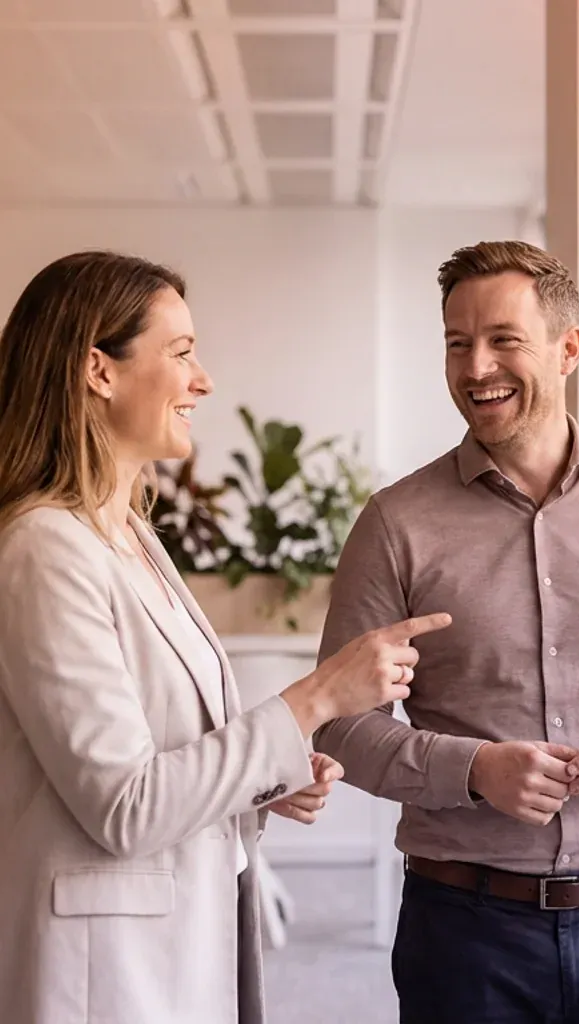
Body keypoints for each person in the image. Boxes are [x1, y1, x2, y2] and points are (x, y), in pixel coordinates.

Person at [0, 250, 451, 1024]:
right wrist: (315, 699)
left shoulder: (131, 537)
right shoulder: (43, 548)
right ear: (98, 371)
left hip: (173, 946)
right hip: (101, 978)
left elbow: (164, 758)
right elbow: (125, 806)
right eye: (180, 354)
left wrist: (268, 779)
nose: (202, 380)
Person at [313, 240, 579, 1023]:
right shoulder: (395, 524)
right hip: (463, 936)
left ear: (568, 348)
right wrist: (472, 769)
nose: (476, 366)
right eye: (457, 343)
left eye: (503, 340)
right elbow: (341, 725)